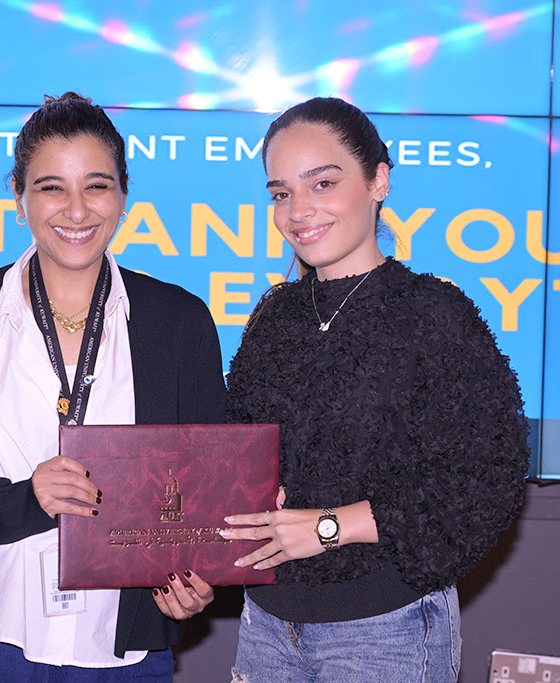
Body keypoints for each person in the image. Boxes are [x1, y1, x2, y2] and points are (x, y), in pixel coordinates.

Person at [0, 92, 225, 683]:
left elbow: (205, 483)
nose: (76, 210)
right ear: (18, 195)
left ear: (124, 196)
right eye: (52, 187)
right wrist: (24, 500)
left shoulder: (179, 323)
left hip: (116, 652)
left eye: (97, 186)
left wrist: (196, 575)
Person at [220, 97, 530, 682]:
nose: (298, 211)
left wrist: (328, 526)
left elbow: (484, 479)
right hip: (265, 626)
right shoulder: (274, 318)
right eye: (281, 193)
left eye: (323, 183)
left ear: (378, 181)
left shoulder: (434, 313)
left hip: (387, 630)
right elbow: (235, 454)